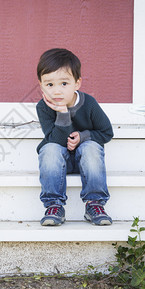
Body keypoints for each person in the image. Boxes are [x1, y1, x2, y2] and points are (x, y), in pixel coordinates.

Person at [36, 48, 114, 226]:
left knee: (91, 146)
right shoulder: (43, 107)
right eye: (49, 85)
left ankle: (94, 203)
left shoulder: (89, 104)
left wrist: (84, 136)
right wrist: (62, 114)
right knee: (49, 149)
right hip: (58, 161)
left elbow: (106, 132)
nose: (57, 91)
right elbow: (53, 139)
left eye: (64, 83)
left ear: (77, 83)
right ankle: (54, 205)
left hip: (87, 161)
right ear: (41, 85)